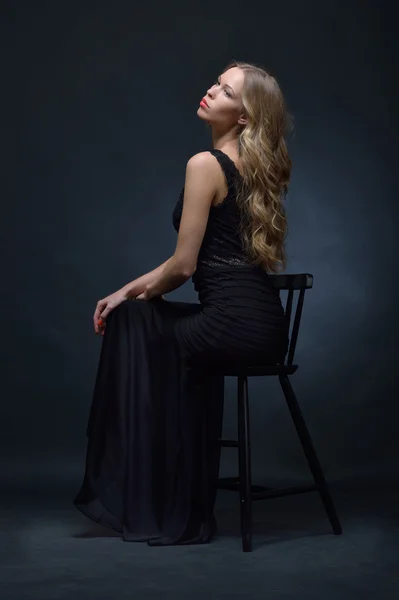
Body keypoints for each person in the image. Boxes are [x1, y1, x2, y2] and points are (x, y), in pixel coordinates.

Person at [74, 60, 292, 546]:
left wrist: (123, 294)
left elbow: (183, 267)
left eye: (226, 91)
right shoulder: (251, 167)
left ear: (243, 116)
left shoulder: (206, 165)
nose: (210, 92)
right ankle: (174, 496)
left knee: (135, 327)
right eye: (215, 83)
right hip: (265, 326)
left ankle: (161, 498)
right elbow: (192, 266)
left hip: (231, 324)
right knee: (140, 318)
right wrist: (128, 292)